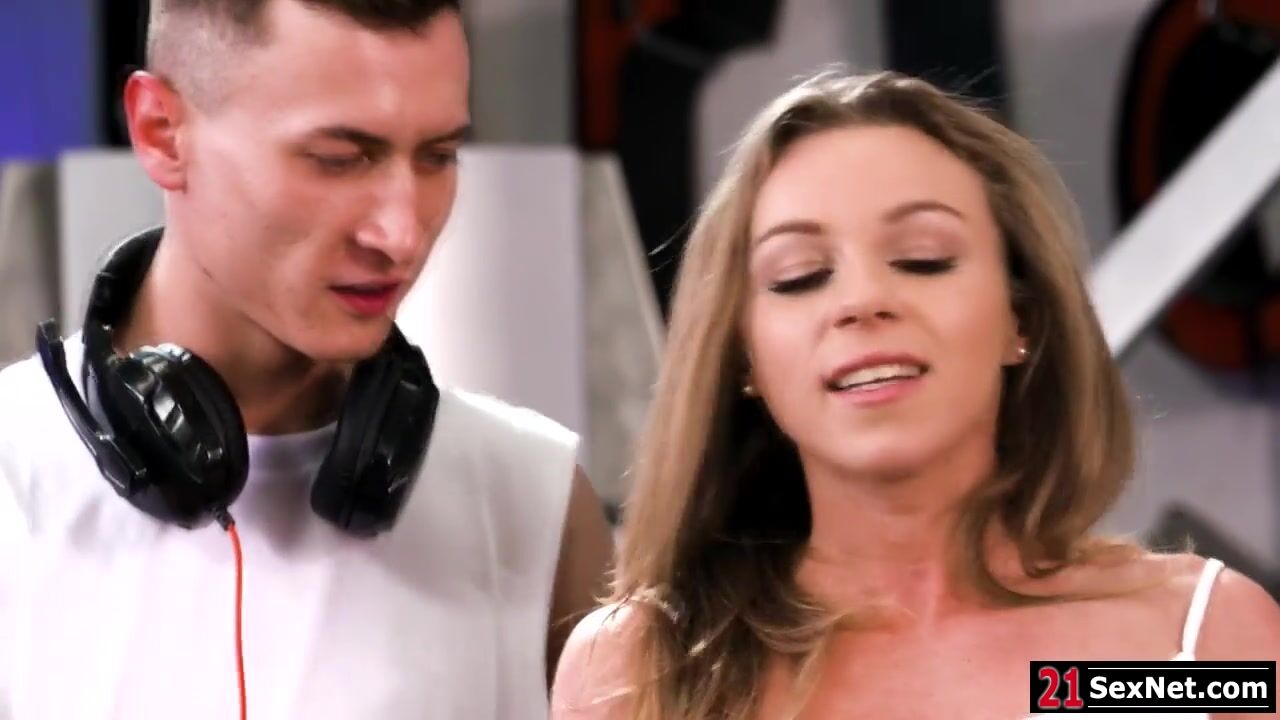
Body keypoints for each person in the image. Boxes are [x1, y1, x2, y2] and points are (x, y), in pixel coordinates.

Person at [549, 69, 1280, 719]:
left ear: (1021, 319)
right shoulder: (635, 668)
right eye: (800, 276)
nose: (862, 300)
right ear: (745, 357)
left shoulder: (1200, 642)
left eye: (923, 260)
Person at [0, 1, 614, 718]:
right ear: (162, 131)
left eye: (438, 156)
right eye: (338, 160)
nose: (401, 234)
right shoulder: (14, 483)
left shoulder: (534, 507)